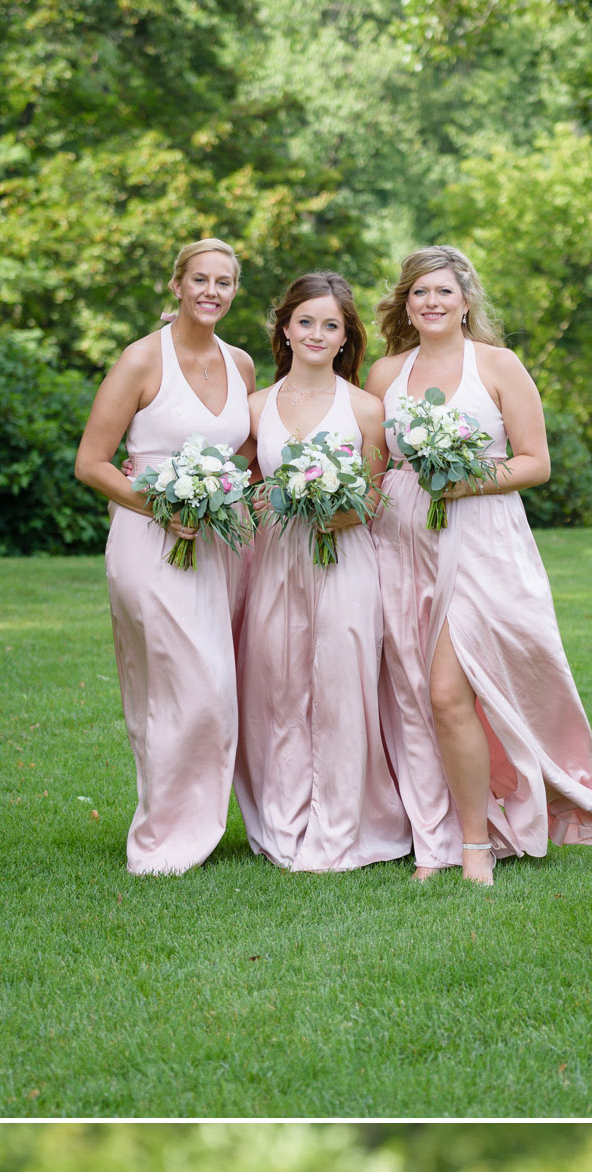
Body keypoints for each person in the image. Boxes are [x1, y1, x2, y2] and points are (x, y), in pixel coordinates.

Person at [373, 242, 592, 885]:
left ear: (466, 301)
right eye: (419, 292)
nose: (431, 302)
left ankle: (475, 846)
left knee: (449, 688)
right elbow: (373, 471)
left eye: (443, 292)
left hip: (482, 538)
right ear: (407, 303)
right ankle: (435, 832)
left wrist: (466, 480)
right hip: (403, 543)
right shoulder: (384, 375)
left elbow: (535, 463)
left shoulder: (498, 365)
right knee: (415, 695)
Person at [74, 232, 255, 875]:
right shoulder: (140, 361)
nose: (211, 292)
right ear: (176, 285)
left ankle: (190, 825)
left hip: (222, 542)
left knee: (212, 685)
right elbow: (91, 463)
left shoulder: (242, 364)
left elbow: (250, 458)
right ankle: (165, 838)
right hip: (150, 539)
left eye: (224, 282)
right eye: (200, 279)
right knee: (185, 685)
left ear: (235, 291)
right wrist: (165, 508)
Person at [235, 265, 408, 876]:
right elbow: (237, 482)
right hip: (279, 563)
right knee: (277, 689)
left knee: (342, 685)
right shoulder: (256, 407)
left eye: (329, 325)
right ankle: (283, 821)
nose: (315, 333)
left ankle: (343, 822)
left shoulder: (366, 408)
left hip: (345, 563)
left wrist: (350, 510)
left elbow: (381, 491)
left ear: (345, 337)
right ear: (284, 329)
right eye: (304, 321)